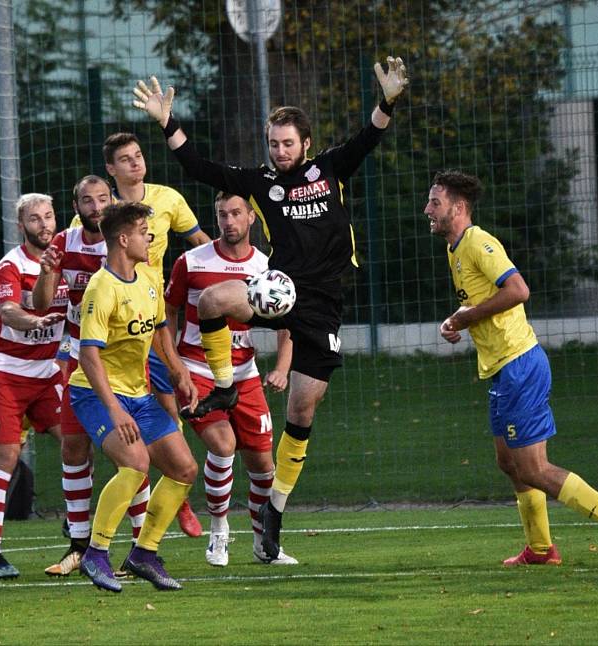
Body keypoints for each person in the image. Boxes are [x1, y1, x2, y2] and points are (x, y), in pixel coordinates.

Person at [131, 55, 409, 561]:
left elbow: (370, 137)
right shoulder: (261, 181)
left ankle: (275, 508)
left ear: (305, 142)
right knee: (214, 300)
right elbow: (199, 167)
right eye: (273, 144)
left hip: (324, 305)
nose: (279, 152)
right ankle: (224, 387)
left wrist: (387, 99)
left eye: (287, 143)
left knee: (301, 412)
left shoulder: (329, 169)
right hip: (280, 289)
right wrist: (167, 121)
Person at [425, 169, 598, 567]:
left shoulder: (478, 242)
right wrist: (457, 319)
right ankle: (541, 548)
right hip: (500, 368)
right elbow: (477, 302)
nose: (428, 210)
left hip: (519, 364)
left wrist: (468, 316)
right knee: (508, 462)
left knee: (534, 468)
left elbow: (518, 290)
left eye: (435, 203)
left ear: (457, 208)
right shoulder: (455, 249)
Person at [73, 132, 212, 537]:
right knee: (99, 446)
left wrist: (237, 271)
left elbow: (199, 244)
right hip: (113, 322)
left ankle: (173, 501)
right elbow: (73, 254)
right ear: (111, 169)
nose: (135, 162)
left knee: (169, 418)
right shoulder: (104, 215)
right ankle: (87, 535)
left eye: (139, 155)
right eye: (125, 158)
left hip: (152, 314)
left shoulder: (166, 199)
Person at [69, 201, 199, 593]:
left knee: (184, 469)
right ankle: (96, 552)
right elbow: (88, 355)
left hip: (137, 394)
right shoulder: (101, 288)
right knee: (136, 462)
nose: (151, 237)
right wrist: (114, 409)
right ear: (123, 240)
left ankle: (144, 553)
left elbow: (160, 332)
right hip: (95, 393)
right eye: (144, 232)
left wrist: (179, 373)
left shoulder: (147, 279)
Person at [34, 175, 157, 576]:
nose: (96, 206)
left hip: (123, 362)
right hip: (78, 359)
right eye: (87, 200)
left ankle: (140, 545)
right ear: (76, 205)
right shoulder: (64, 243)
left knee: (135, 452)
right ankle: (79, 545)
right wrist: (47, 273)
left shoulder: (129, 243)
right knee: (73, 449)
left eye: (103, 198)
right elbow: (40, 303)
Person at [165, 192, 297, 566]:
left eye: (236, 213)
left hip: (246, 375)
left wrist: (282, 367)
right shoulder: (191, 262)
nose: (228, 221)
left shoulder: (265, 266)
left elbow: (287, 321)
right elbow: (168, 313)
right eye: (221, 213)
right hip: (199, 373)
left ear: (252, 217)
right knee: (222, 446)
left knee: (263, 465)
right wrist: (175, 365)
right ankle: (219, 532)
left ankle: (263, 544)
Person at [0, 193, 67, 578]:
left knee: (76, 442)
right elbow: (10, 310)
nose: (44, 224)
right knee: (6, 458)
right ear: (21, 226)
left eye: (48, 217)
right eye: (34, 219)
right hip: (7, 373)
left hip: (47, 372)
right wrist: (33, 321)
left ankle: (75, 523)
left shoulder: (69, 257)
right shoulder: (10, 265)